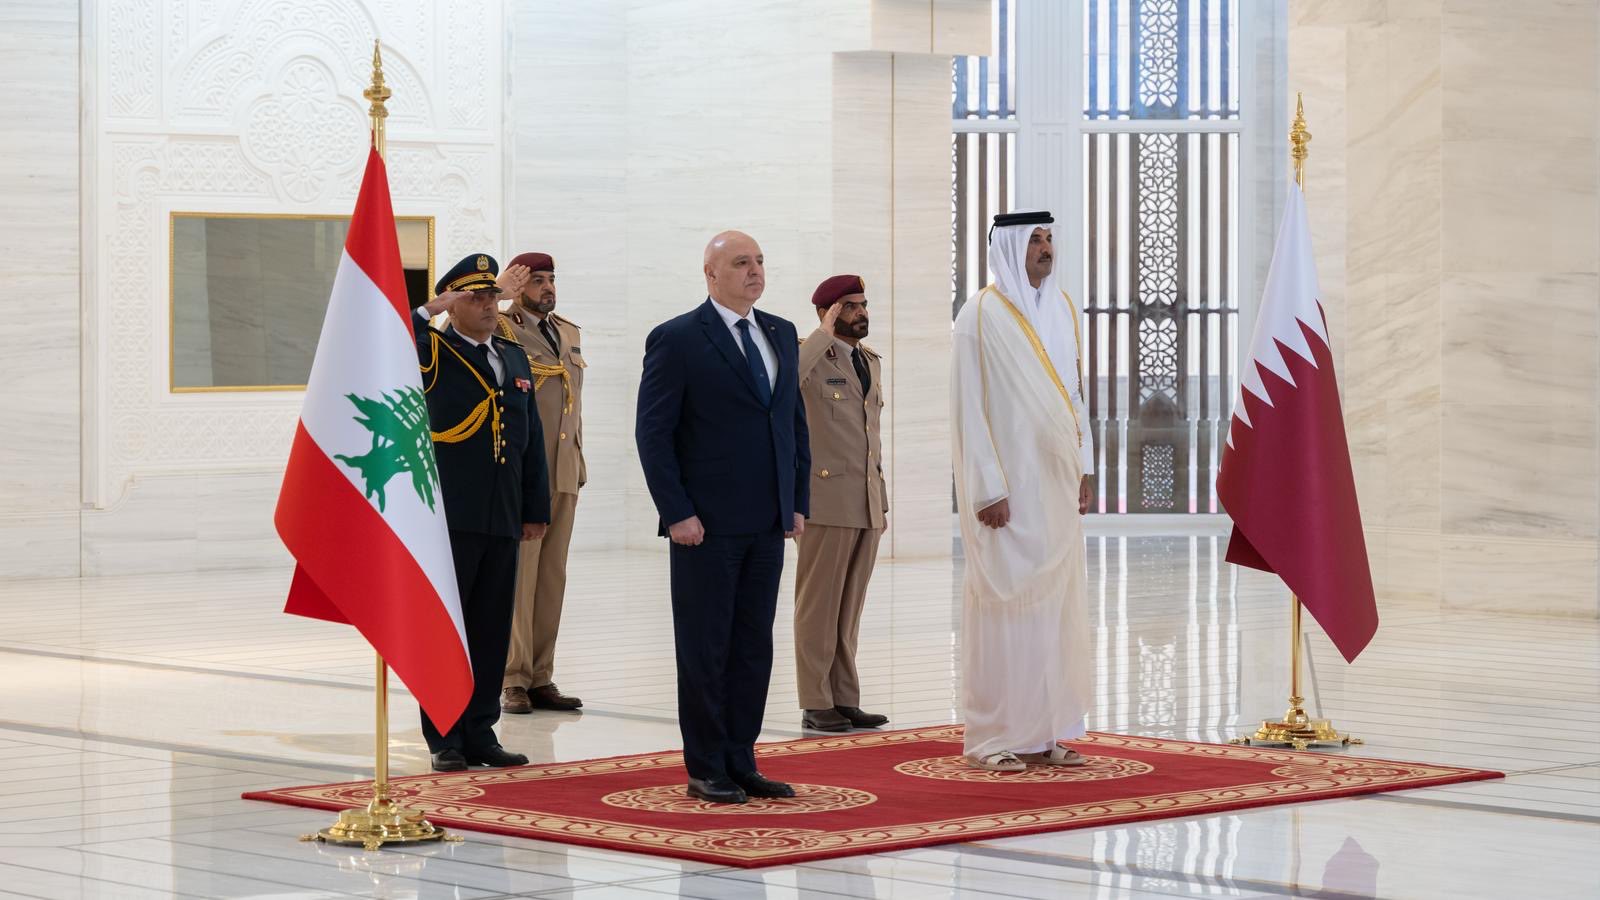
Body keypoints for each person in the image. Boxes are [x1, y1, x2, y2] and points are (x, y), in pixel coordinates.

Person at [634, 231, 809, 805]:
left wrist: (796, 500)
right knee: (706, 648)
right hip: (704, 527)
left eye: (759, 261)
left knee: (753, 647)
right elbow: (653, 433)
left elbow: (793, 425)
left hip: (767, 522)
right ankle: (706, 765)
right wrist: (677, 511)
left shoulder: (779, 332)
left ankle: (741, 758)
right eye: (740, 263)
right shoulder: (678, 338)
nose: (755, 271)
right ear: (710, 274)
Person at [950, 210, 1096, 772]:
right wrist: (986, 487)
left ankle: (1047, 731)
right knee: (1005, 607)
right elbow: (968, 407)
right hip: (1007, 490)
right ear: (1010, 248)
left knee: (1053, 609)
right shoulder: (979, 315)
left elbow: (1074, 395)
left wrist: (1083, 467)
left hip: (1055, 485)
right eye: (1034, 239)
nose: (1045, 247)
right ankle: (992, 736)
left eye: (1049, 238)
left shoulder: (1062, 309)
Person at [412, 252, 552, 773]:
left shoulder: (512, 357)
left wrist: (534, 507)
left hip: (503, 513)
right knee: (446, 632)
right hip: (451, 514)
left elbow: (530, 438)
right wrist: (431, 309)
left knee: (491, 629)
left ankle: (480, 731)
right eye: (475, 298)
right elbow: (383, 338)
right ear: (454, 303)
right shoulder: (432, 351)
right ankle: (444, 736)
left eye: (493, 296)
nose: (490, 306)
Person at [792, 274, 889, 733]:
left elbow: (870, 436)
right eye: (849, 306)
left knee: (849, 609)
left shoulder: (869, 361)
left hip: (866, 501)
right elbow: (782, 386)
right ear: (826, 312)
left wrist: (880, 501)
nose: (860, 313)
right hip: (824, 500)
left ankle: (844, 697)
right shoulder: (807, 355)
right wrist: (822, 334)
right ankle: (815, 701)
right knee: (819, 606)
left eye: (863, 304)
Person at [493, 252, 587, 714]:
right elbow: (454, 336)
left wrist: (577, 462)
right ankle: (513, 677)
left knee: (552, 577)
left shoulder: (568, 332)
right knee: (520, 576)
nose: (547, 287)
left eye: (551, 279)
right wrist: (497, 293)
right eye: (536, 280)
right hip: (523, 472)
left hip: (563, 469)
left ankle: (541, 676)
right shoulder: (500, 327)